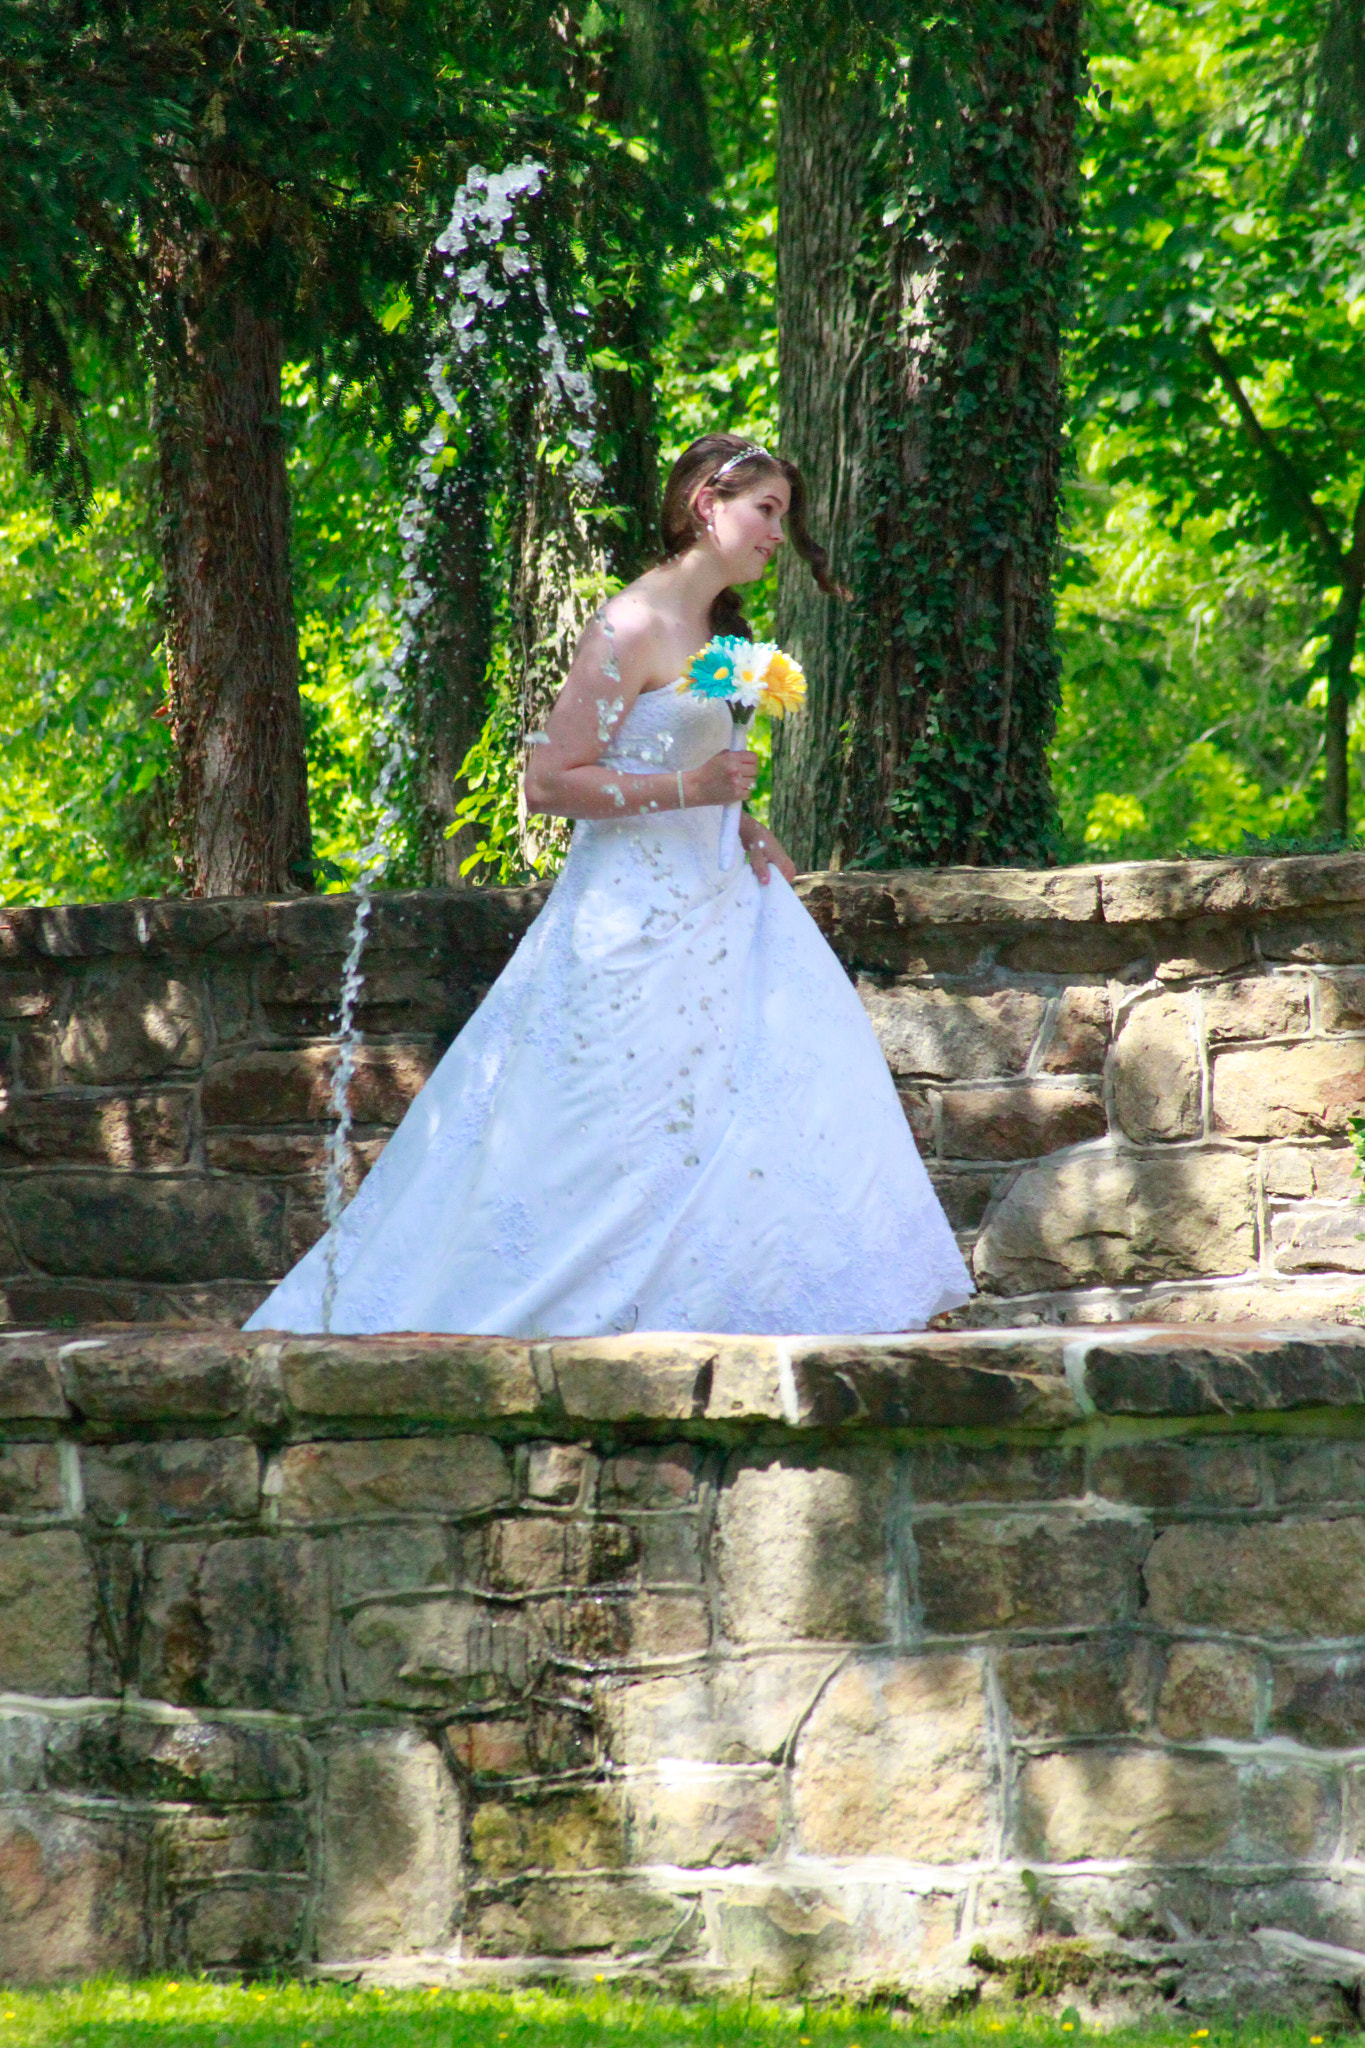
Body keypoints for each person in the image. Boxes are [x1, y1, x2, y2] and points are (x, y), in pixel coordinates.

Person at [245, 433, 973, 1337]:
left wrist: (739, 821)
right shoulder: (628, 626)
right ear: (708, 503)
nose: (779, 534)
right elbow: (548, 782)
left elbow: (689, 756)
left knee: (773, 1089)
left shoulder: (717, 631)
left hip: (721, 909)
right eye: (766, 511)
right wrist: (690, 792)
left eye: (784, 515)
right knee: (603, 1120)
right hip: (627, 924)